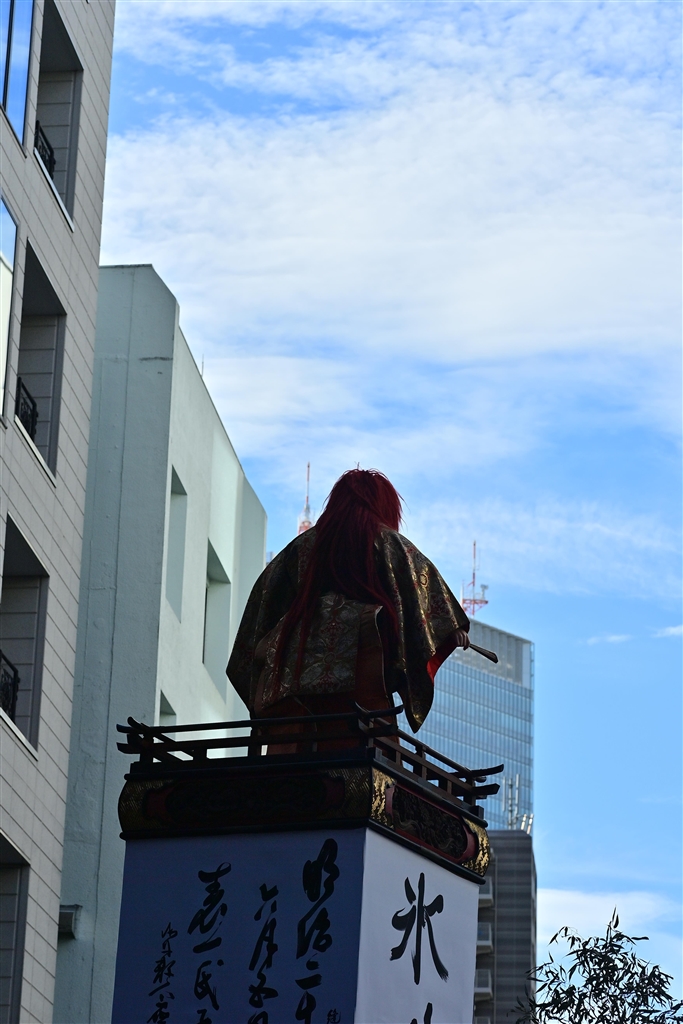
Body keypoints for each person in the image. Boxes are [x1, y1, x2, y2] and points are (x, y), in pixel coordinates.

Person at [227, 469, 470, 735]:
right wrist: (449, 628)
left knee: (299, 738)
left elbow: (263, 606)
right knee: (364, 736)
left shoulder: (300, 547)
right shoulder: (388, 541)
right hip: (365, 660)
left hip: (296, 674)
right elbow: (419, 585)